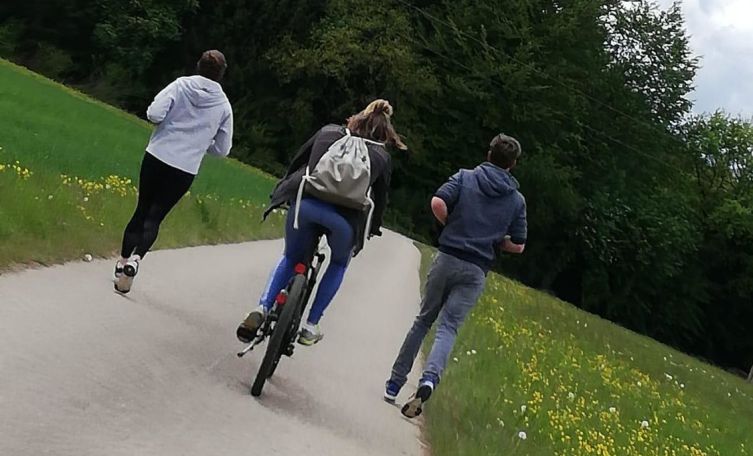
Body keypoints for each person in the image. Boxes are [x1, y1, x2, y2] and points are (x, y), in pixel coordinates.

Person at [236, 99, 406, 346]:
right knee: (338, 263)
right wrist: (373, 227)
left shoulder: (328, 133)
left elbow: (298, 161)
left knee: (291, 257)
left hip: (306, 207)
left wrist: (284, 189)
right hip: (344, 221)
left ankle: (262, 307)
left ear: (356, 119)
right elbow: (380, 200)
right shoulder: (381, 156)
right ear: (384, 133)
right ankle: (310, 325)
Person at [385, 133, 527, 418]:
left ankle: (394, 383)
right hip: (476, 270)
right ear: (512, 164)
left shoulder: (465, 177)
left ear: (489, 154)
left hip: (448, 256)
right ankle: (428, 380)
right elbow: (519, 244)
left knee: (423, 320)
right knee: (448, 327)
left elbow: (438, 202)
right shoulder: (516, 200)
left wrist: (452, 225)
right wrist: (494, 240)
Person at [114, 50, 234, 293]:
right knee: (156, 216)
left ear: (198, 65)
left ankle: (122, 263)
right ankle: (137, 259)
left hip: (157, 154)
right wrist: (201, 143)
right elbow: (223, 149)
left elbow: (154, 113)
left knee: (142, 209)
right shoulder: (223, 106)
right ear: (221, 75)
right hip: (185, 167)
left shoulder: (180, 85)